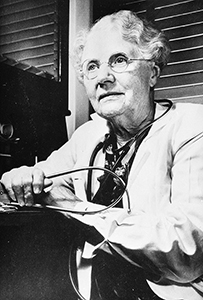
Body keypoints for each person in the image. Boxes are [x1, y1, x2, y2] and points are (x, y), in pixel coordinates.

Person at [1, 9, 203, 300]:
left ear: (153, 72)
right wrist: (18, 178)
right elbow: (39, 179)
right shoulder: (88, 135)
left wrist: (76, 207)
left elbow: (188, 251)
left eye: (119, 60)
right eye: (91, 67)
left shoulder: (191, 126)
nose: (103, 78)